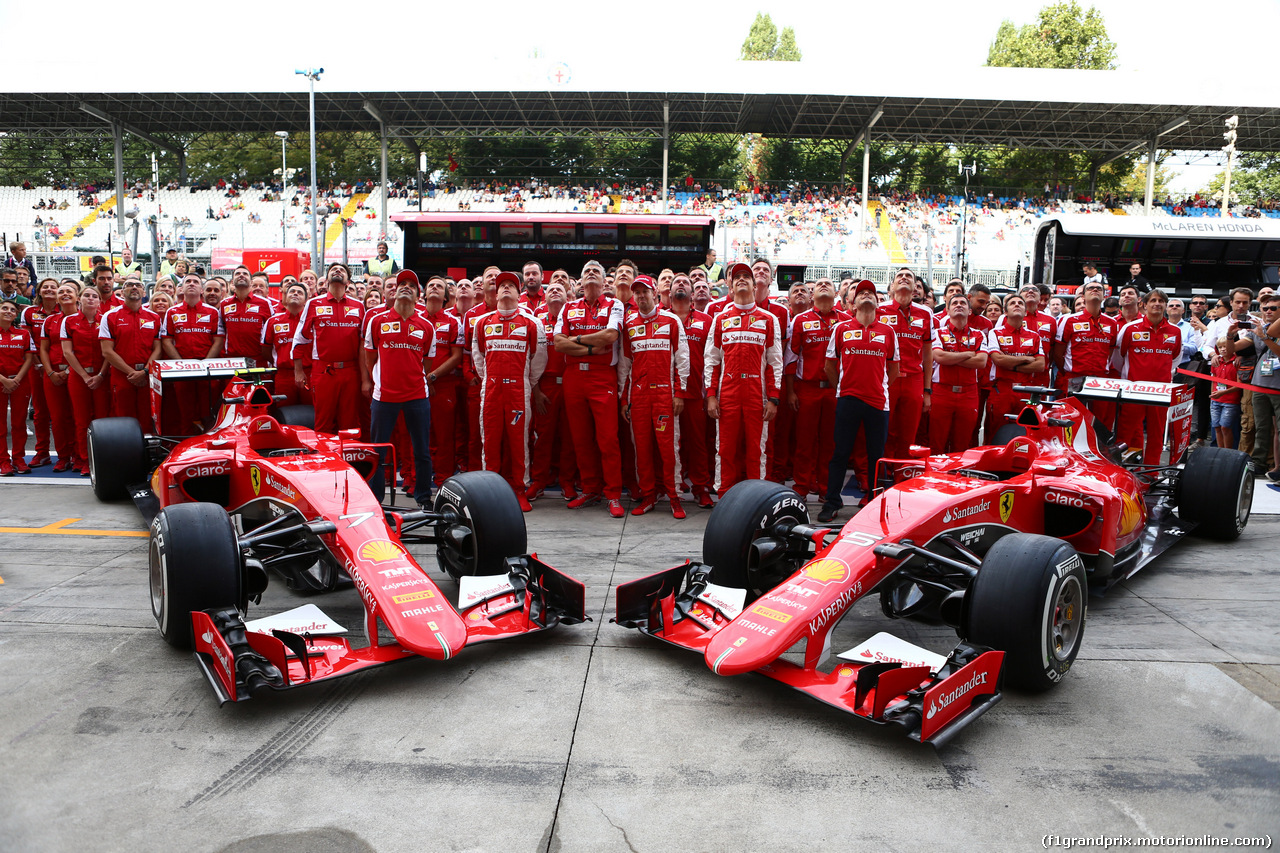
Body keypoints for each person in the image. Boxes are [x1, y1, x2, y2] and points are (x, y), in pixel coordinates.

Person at [817, 279, 899, 522]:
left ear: (878, 301)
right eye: (861, 293)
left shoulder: (888, 331)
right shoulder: (841, 329)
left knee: (877, 454)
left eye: (871, 293)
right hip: (848, 399)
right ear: (851, 304)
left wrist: (879, 387)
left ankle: (875, 502)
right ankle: (832, 502)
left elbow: (893, 369)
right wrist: (843, 388)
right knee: (840, 452)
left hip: (877, 402)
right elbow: (829, 365)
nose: (866, 295)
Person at [553, 260, 626, 517]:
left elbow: (611, 336)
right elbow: (558, 344)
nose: (591, 274)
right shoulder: (568, 307)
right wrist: (591, 349)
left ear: (605, 281)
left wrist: (577, 340)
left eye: (596, 271)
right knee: (581, 438)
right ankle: (590, 488)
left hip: (602, 377)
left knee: (608, 438)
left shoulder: (613, 304)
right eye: (587, 272)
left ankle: (613, 494)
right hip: (574, 377)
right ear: (581, 282)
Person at [703, 262, 783, 495]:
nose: (741, 279)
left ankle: (756, 498)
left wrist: (773, 398)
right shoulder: (720, 319)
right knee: (725, 448)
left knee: (756, 450)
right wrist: (710, 396)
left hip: (756, 394)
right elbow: (711, 360)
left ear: (754, 283)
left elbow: (775, 362)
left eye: (746, 276)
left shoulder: (769, 319)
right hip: (727, 393)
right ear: (728, 283)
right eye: (736, 276)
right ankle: (724, 496)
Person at [471, 272, 546, 511]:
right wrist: (489, 379)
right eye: (501, 285)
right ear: (494, 291)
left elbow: (539, 359)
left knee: (519, 441)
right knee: (490, 439)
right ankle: (489, 490)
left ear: (519, 292)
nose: (505, 288)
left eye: (510, 286)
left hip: (518, 387)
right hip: (491, 388)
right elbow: (478, 357)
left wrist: (524, 381)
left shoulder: (531, 323)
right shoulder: (482, 322)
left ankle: (519, 489)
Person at [618, 275, 690, 518]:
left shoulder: (670, 321)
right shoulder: (629, 324)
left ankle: (674, 496)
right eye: (636, 292)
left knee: (668, 449)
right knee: (642, 449)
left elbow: (683, 359)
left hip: (664, 395)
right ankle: (648, 494)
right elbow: (625, 366)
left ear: (655, 294)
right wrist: (624, 400)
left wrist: (679, 393)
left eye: (644, 291)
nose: (640, 296)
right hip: (638, 397)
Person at [362, 271, 435, 508]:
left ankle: (424, 498)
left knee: (422, 451)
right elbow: (370, 358)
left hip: (417, 396)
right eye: (401, 284)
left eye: (411, 285)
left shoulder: (426, 326)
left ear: (418, 296)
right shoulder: (377, 321)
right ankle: (376, 501)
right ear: (392, 292)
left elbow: (426, 361)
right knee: (378, 452)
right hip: (384, 397)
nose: (405, 287)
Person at [788, 278, 850, 499]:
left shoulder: (846, 321)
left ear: (837, 295)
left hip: (836, 391)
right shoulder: (800, 320)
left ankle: (827, 489)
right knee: (804, 442)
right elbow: (791, 358)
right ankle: (801, 487)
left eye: (829, 284)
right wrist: (791, 391)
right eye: (819, 284)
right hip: (807, 389)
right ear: (812, 295)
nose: (824, 285)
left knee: (831, 443)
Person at [292, 263, 365, 435]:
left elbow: (364, 344)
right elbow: (299, 339)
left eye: (342, 270)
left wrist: (365, 377)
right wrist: (298, 371)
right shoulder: (313, 304)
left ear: (348, 281)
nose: (337, 271)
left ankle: (349, 460)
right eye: (333, 270)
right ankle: (323, 460)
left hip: (351, 372)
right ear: (326, 280)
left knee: (350, 423)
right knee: (323, 422)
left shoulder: (358, 306)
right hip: (323, 371)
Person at [1115, 289, 1181, 463]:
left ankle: (1150, 471)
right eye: (1153, 300)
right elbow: (1117, 358)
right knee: (1126, 431)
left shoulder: (1175, 331)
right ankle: (1122, 467)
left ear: (1166, 306)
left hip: (1160, 391)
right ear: (1144, 304)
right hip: (1133, 389)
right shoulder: (1130, 328)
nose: (1157, 304)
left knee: (1156, 433)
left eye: (1161, 301)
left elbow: (1175, 359)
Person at [528, 280, 578, 502]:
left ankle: (567, 482)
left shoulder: (573, 321)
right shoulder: (537, 322)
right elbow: (530, 358)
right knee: (543, 437)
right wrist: (536, 390)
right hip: (545, 385)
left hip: (570, 382)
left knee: (569, 436)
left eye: (561, 289)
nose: (555, 291)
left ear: (568, 298)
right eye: (551, 290)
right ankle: (539, 481)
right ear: (544, 298)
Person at [668, 274, 714, 508]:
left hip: (696, 393)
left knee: (698, 444)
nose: (682, 285)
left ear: (693, 293)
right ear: (668, 291)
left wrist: (710, 392)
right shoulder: (660, 318)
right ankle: (666, 487)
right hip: (665, 393)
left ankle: (701, 488)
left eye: (686, 282)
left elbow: (713, 359)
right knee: (667, 444)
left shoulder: (707, 320)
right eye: (677, 282)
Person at [878, 268, 934, 459]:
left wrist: (927, 391)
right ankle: (882, 475)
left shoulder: (925, 314)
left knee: (908, 433)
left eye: (908, 276)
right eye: (899, 276)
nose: (903, 278)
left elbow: (928, 355)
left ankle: (902, 475)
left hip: (913, 380)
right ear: (892, 286)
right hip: (887, 380)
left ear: (915, 288)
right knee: (884, 431)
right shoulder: (879, 311)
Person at [930, 292, 992, 453]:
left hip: (968, 394)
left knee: (962, 444)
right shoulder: (938, 333)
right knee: (937, 442)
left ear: (970, 311)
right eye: (954, 303)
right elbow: (939, 357)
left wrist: (953, 357)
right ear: (948, 311)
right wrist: (968, 354)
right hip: (942, 392)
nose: (959, 305)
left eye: (963, 303)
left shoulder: (978, 334)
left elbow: (981, 362)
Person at [161, 274, 223, 433]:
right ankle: (184, 448)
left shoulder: (213, 312)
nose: (191, 284)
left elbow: (218, 341)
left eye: (196, 282)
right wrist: (182, 364)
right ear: (181, 288)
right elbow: (167, 341)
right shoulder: (172, 311)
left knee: (209, 414)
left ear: (201, 290)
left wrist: (205, 365)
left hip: (207, 371)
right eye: (187, 281)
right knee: (184, 414)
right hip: (182, 372)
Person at [99, 276, 162, 434]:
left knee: (148, 418)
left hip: (148, 375)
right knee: (124, 419)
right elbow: (106, 350)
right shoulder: (110, 316)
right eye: (129, 285)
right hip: (122, 376)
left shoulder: (154, 317)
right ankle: (126, 455)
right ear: (122, 291)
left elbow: (158, 349)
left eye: (138, 285)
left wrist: (145, 372)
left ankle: (148, 455)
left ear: (143, 291)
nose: (134, 287)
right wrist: (132, 373)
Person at [60, 288, 111, 475]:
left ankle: (103, 459)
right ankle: (84, 460)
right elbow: (67, 352)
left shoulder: (105, 319)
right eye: (87, 295)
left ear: (99, 301)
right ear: (79, 299)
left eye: (95, 296)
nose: (91, 299)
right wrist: (84, 376)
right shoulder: (69, 321)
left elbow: (109, 351)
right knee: (81, 420)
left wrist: (100, 375)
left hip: (102, 377)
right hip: (79, 377)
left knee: (102, 420)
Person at [1054, 281, 1118, 427]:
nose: (1095, 290)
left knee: (1100, 424)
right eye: (1091, 288)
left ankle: (1099, 450)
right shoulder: (1068, 320)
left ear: (1104, 295)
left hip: (1101, 380)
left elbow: (1110, 352)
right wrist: (1067, 373)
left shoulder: (1112, 323)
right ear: (1083, 296)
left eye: (1099, 288)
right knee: (1072, 423)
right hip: (1074, 378)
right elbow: (1058, 354)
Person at [422, 276, 465, 489]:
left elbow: (456, 357)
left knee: (444, 436)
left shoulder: (453, 322)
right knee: (420, 434)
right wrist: (420, 379)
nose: (435, 288)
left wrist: (432, 376)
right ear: (424, 293)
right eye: (431, 285)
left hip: (443, 385)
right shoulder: (414, 318)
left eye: (440, 286)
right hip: (416, 386)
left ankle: (442, 479)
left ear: (446, 296)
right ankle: (418, 479)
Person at [987, 293, 1047, 433]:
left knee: (1025, 432)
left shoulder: (1034, 336)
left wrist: (1010, 363)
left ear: (1026, 312)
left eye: (1020, 303)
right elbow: (998, 360)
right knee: (995, 431)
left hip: (1026, 391)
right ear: (1006, 312)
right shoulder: (995, 333)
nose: (1017, 305)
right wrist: (1026, 359)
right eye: (1012, 303)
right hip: (1002, 389)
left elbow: (1040, 365)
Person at [21, 278, 60, 467]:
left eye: (54, 286)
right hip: (37, 368)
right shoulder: (29, 312)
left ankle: (69, 453)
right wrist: (41, 366)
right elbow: (27, 343)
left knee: (63, 412)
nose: (50, 289)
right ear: (38, 291)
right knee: (40, 412)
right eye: (46, 286)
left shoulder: (66, 311)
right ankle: (42, 451)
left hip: (62, 369)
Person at [0, 300, 35, 475]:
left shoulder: (23, 334)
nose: (8, 311)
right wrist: (4, 380)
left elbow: (29, 359)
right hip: (1, 382)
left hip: (20, 382)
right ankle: (3, 461)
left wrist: (16, 380)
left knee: (19, 423)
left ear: (16, 314)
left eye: (12, 310)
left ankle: (19, 459)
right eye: (4, 308)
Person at [263, 283, 311, 406]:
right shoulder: (273, 321)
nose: (295, 293)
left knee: (312, 412)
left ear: (306, 300)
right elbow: (265, 349)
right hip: (284, 376)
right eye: (292, 291)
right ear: (285, 297)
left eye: (300, 292)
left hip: (309, 373)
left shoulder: (312, 321)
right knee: (283, 412)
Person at [218, 267, 273, 368]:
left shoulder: (265, 304)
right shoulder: (223, 304)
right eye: (237, 273)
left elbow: (271, 332)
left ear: (251, 282)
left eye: (245, 274)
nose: (241, 275)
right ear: (232, 282)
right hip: (231, 361)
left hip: (258, 361)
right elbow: (220, 333)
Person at [1250, 293, 1280, 476]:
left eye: (1273, 308)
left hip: (1278, 386)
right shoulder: (1260, 328)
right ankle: (1259, 463)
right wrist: (1229, 338)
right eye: (1266, 308)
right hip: (1260, 383)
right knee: (1261, 426)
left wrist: (1265, 336)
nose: (1268, 311)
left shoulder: (1267, 331)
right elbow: (1240, 347)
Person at [1211, 337, 1242, 450]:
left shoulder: (1237, 362)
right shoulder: (1216, 362)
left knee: (1225, 427)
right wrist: (1213, 396)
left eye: (1225, 346)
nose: (1223, 349)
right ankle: (1220, 451)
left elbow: (1239, 385)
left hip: (1230, 400)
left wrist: (1224, 392)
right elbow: (1213, 380)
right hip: (1215, 400)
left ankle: (1227, 452)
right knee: (1217, 427)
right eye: (1220, 347)